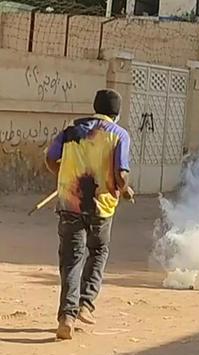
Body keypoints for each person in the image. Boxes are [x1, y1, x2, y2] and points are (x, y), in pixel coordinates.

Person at [45, 89, 134, 340]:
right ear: (116, 114)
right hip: (101, 207)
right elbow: (121, 175)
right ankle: (86, 303)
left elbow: (50, 159)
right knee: (98, 251)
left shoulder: (71, 130)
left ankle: (67, 317)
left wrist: (64, 176)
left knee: (71, 259)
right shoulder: (119, 135)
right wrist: (124, 191)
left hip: (69, 203)